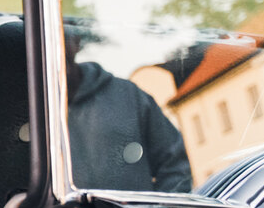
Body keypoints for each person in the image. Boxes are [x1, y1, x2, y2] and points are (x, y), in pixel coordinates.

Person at [65, 28, 192, 192]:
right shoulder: (27, 110)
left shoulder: (129, 96)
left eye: (62, 34)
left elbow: (175, 167)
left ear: (76, 41)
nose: (55, 45)